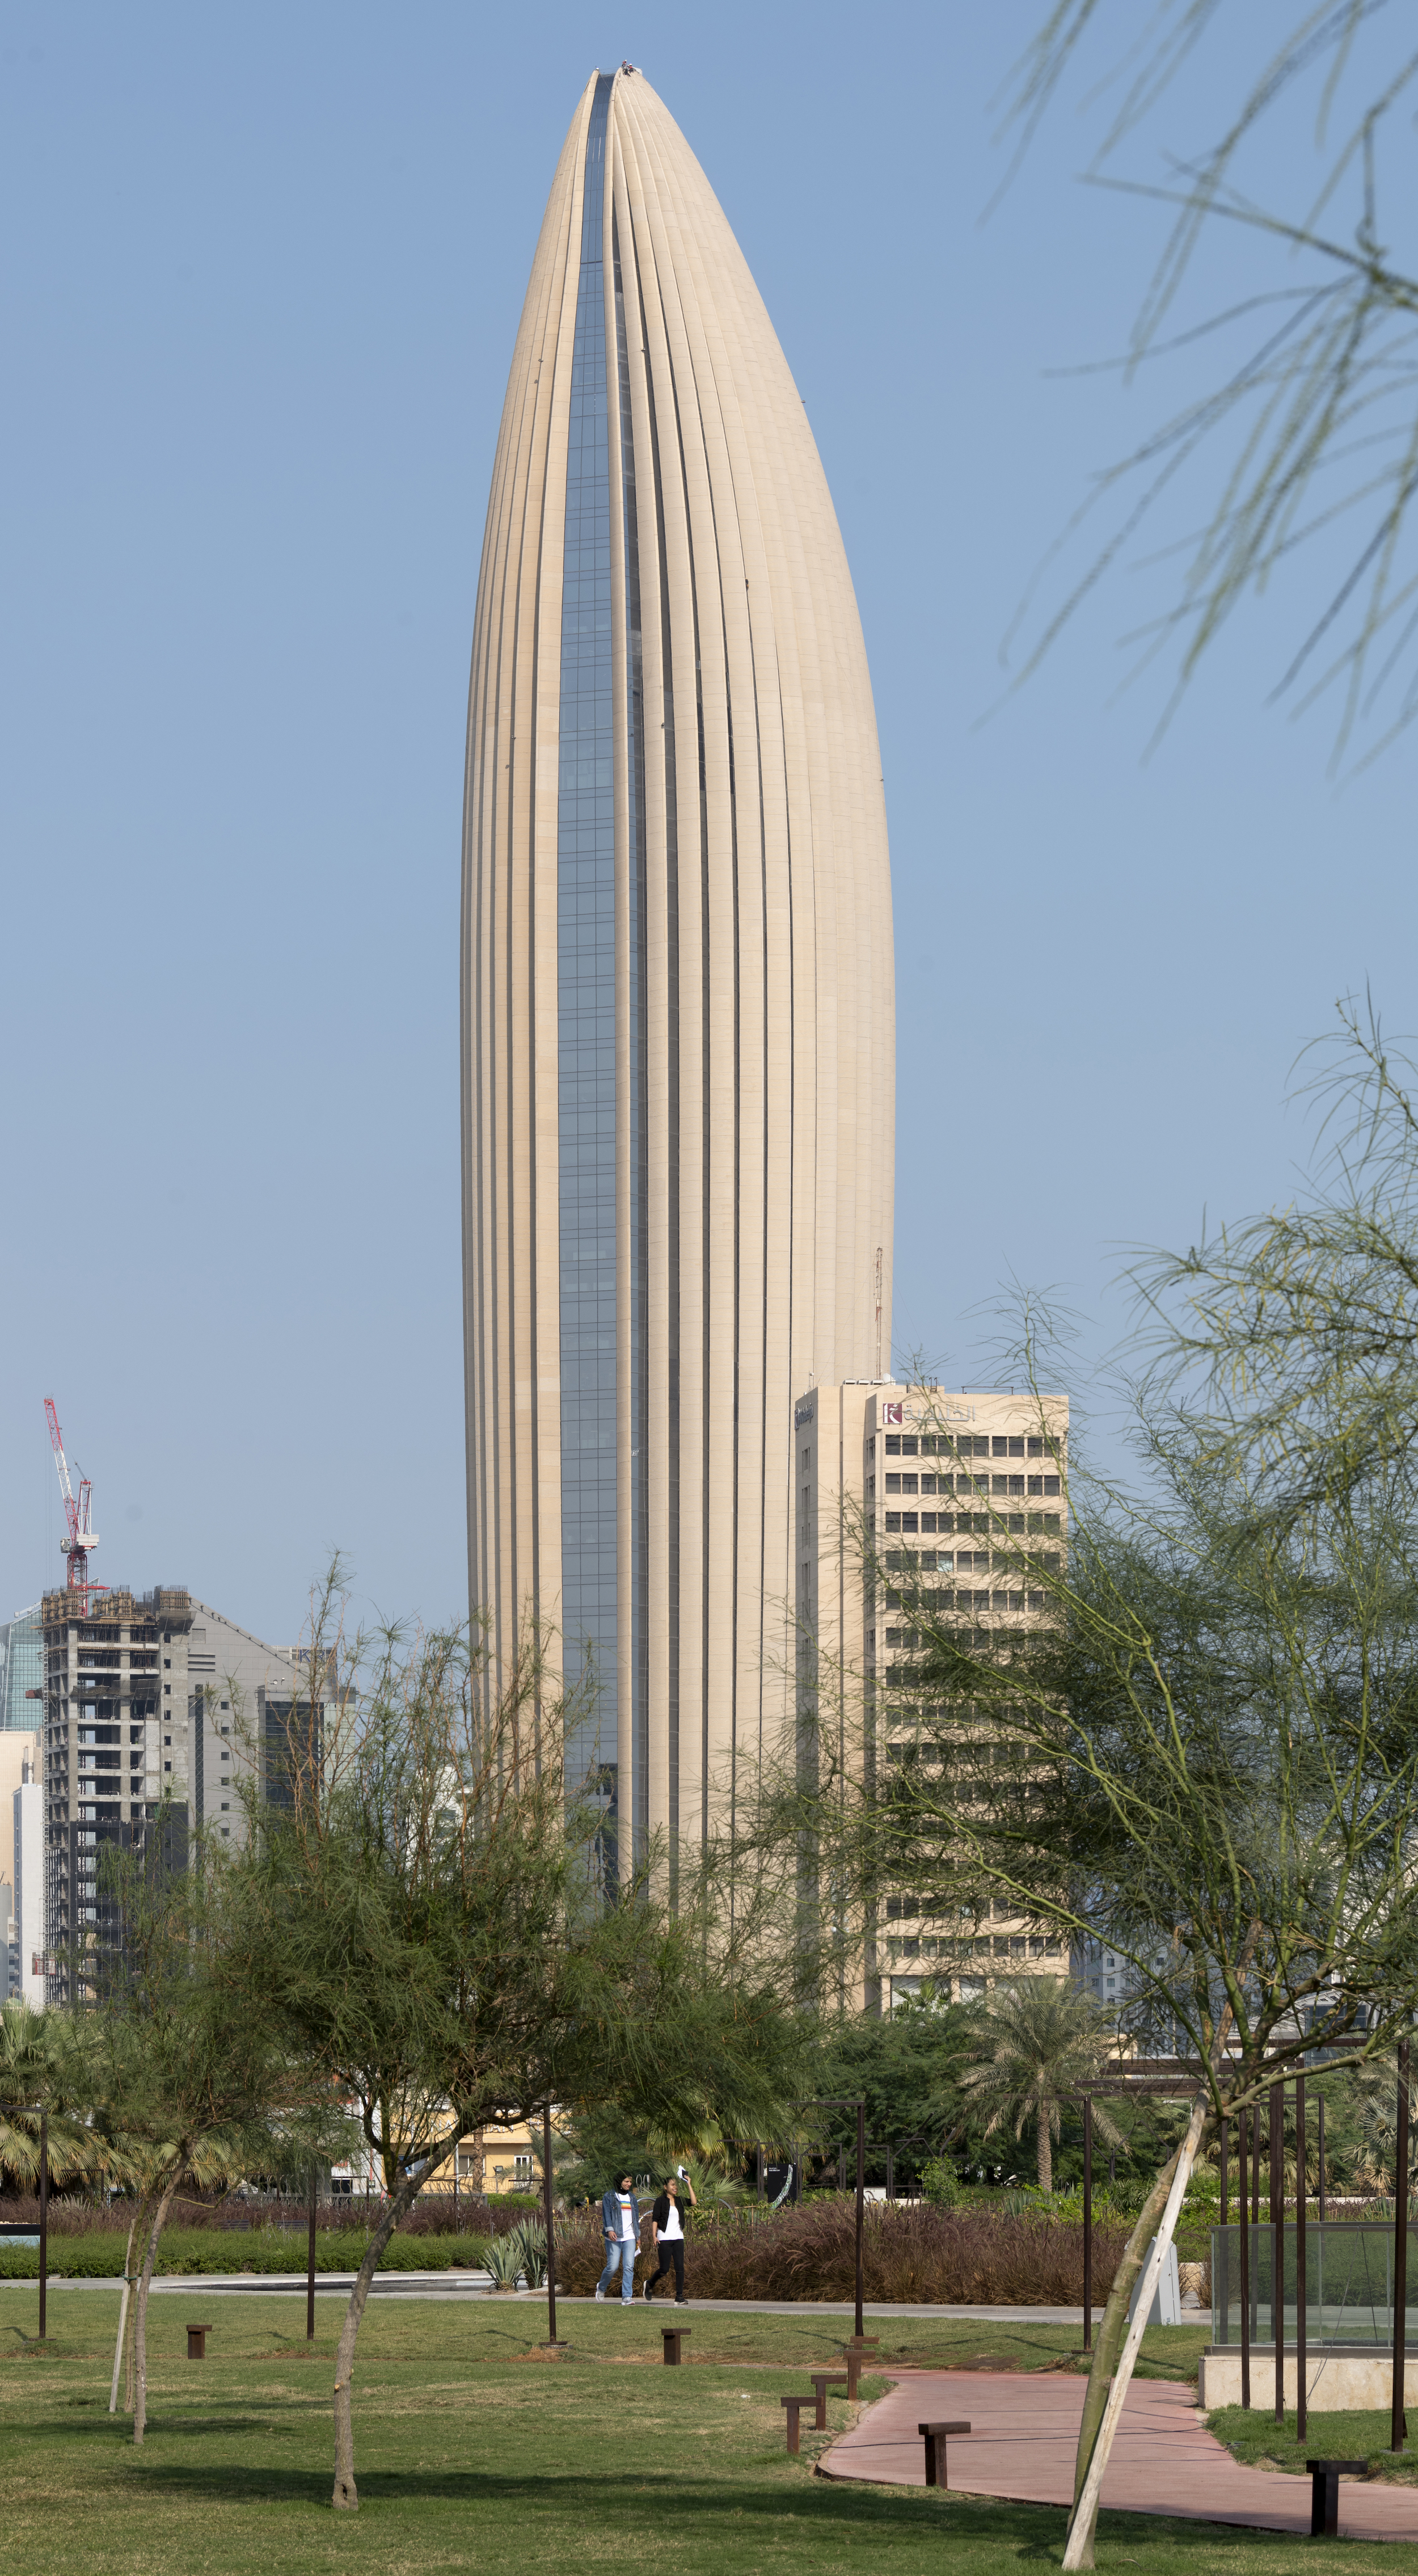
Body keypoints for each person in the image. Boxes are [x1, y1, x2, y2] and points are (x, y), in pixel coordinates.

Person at [643, 2167, 697, 2305]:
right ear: (665, 2187)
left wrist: (688, 2184)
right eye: (672, 2185)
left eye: (676, 2185)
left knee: (680, 2268)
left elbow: (694, 2202)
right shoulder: (660, 2201)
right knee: (664, 2269)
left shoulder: (679, 2201)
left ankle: (679, 2297)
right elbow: (655, 2219)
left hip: (678, 2238)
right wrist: (654, 2236)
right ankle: (650, 2284)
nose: (675, 2187)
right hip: (664, 2238)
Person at [595, 2172, 641, 2304]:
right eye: (627, 2181)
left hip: (630, 2236)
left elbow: (636, 2219)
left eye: (630, 2182)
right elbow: (607, 2215)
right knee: (613, 2266)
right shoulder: (609, 2196)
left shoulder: (632, 2197)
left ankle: (627, 2297)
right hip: (614, 2236)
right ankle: (602, 2287)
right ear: (619, 2181)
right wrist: (610, 2230)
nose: (629, 2184)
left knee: (628, 2266)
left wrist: (638, 2236)